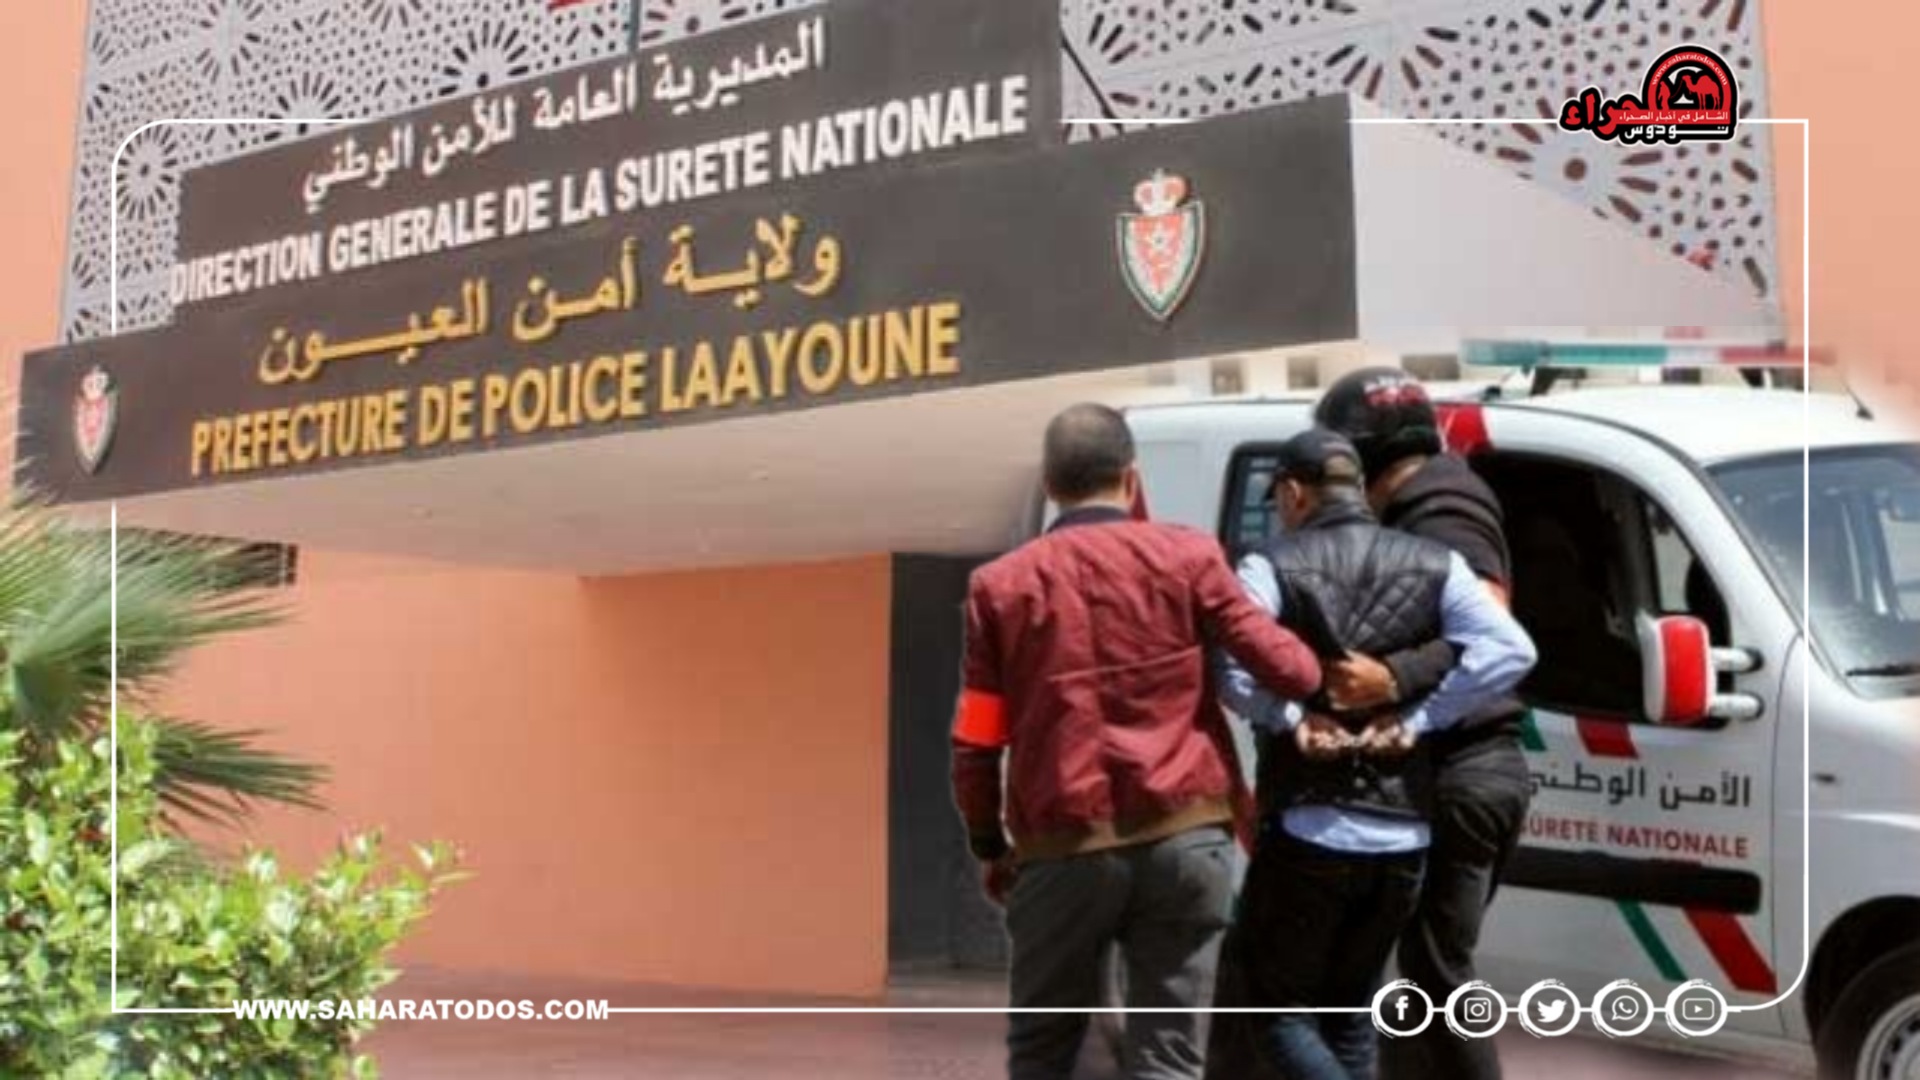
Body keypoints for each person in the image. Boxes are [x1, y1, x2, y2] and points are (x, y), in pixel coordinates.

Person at [950, 403, 1324, 1080]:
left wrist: (988, 844)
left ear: (1051, 484)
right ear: (1130, 478)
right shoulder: (1189, 556)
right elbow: (1293, 671)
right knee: (1168, 1056)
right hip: (1186, 841)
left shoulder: (998, 588)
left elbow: (976, 740)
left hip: (1061, 851)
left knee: (1041, 1053)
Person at [1208, 428, 1536, 1080]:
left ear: (1294, 493)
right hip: (1403, 834)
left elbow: (1229, 666)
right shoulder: (1436, 562)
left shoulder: (1269, 564)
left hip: (1311, 823)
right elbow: (1512, 650)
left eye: (1280, 502)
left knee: (1276, 1010)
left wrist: (1292, 717)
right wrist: (1418, 718)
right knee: (1351, 1011)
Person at [1313, 369, 1535, 1080]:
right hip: (1460, 771)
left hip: (1463, 771)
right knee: (1415, 980)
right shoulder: (1425, 503)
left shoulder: (1439, 509)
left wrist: (1393, 679)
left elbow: (1491, 627)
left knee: (1438, 977)